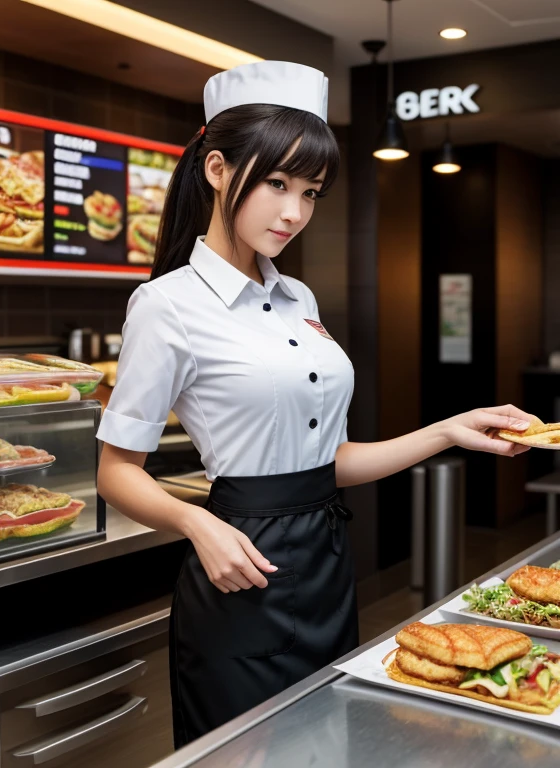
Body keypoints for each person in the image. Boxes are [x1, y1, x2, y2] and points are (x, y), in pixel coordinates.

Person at [96, 60, 533, 748]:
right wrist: (197, 524)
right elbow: (115, 469)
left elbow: (330, 460)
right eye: (276, 184)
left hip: (328, 562)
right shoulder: (166, 305)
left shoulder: (298, 299)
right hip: (239, 571)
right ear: (216, 169)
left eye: (311, 191)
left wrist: (453, 428)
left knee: (328, 747)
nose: (295, 212)